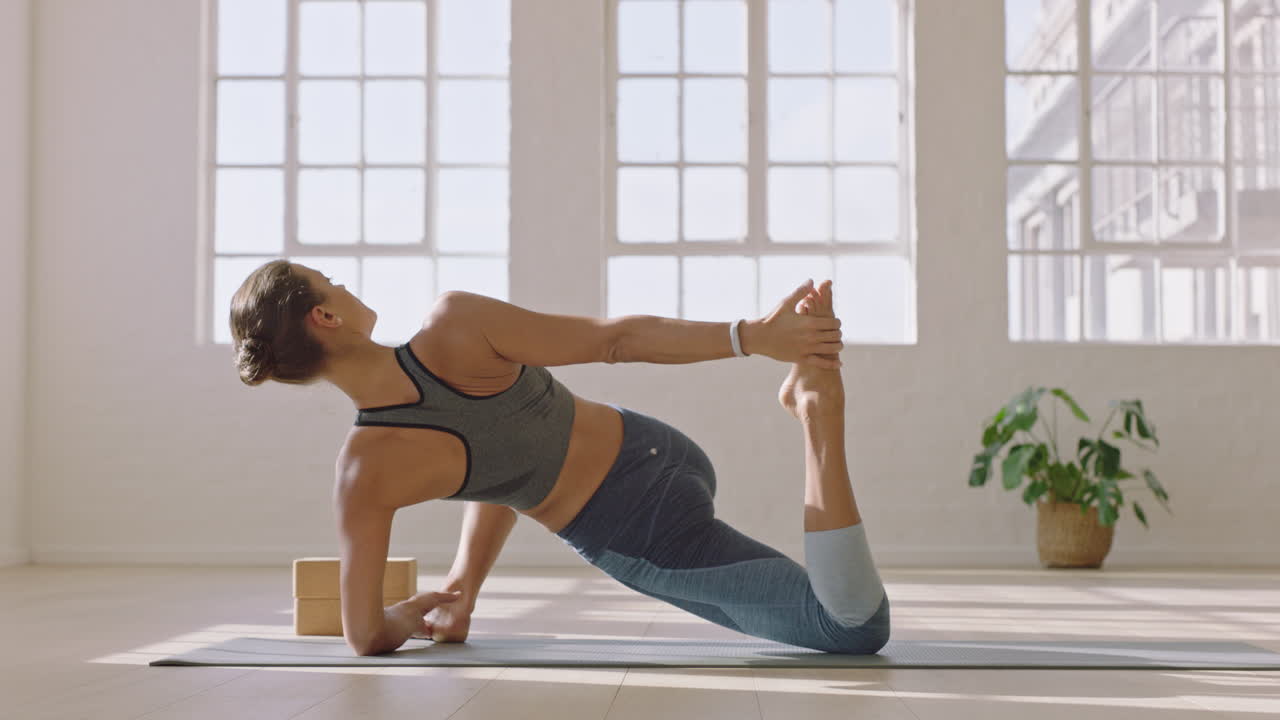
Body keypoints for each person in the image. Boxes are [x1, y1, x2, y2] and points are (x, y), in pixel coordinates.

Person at [229, 261, 889, 655]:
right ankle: (807, 397)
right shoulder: (456, 323)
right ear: (325, 317)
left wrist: (427, 607)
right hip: (659, 447)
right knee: (839, 615)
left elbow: (364, 634)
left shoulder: (366, 470)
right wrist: (754, 337)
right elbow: (614, 342)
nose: (344, 288)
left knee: (851, 627)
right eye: (331, 285)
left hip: (643, 534)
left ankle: (815, 410)